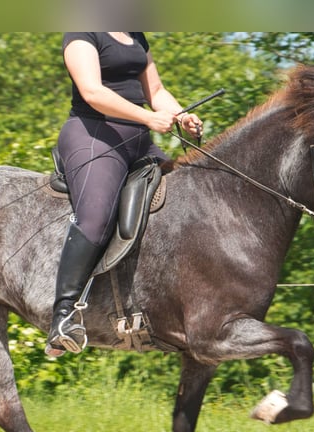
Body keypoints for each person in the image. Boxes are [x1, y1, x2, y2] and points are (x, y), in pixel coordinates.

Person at [46, 32, 203, 357]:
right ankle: (63, 315)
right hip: (94, 134)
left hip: (137, 140)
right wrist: (148, 116)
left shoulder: (135, 36)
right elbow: (92, 92)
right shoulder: (83, 32)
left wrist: (182, 115)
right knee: (97, 216)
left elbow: (156, 91)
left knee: (192, 195)